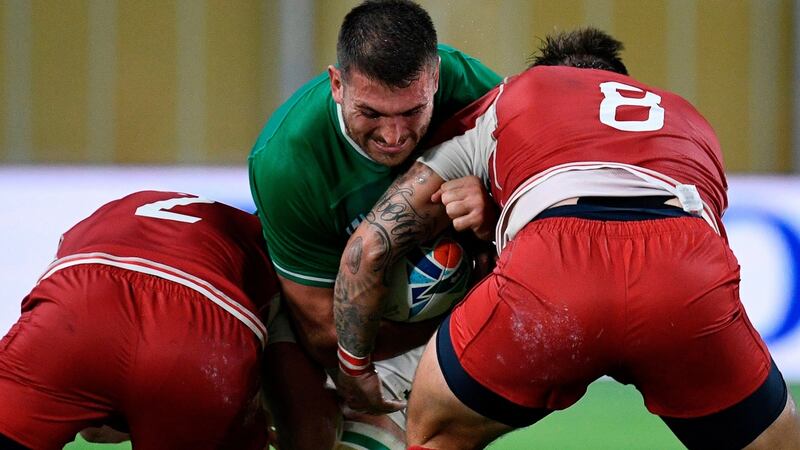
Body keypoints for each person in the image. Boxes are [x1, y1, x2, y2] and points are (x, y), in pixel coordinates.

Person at [332, 28, 800, 449]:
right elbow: (702, 228)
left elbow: (371, 246)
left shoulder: (514, 95)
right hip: (683, 273)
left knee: (435, 431)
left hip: (554, 273)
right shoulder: (689, 117)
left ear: (552, 75)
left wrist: (354, 371)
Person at [248, 0, 501, 448]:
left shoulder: (479, 96)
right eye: (373, 114)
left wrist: (496, 207)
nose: (394, 135)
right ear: (337, 84)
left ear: (436, 79)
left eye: (412, 111)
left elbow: (545, 208)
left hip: (442, 315)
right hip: (338, 328)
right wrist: (458, 315)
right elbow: (326, 334)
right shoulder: (285, 162)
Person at [0, 190, 278, 449]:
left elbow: (94, 429)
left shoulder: (112, 211)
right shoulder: (274, 250)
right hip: (203, 325)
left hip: (79, 298)